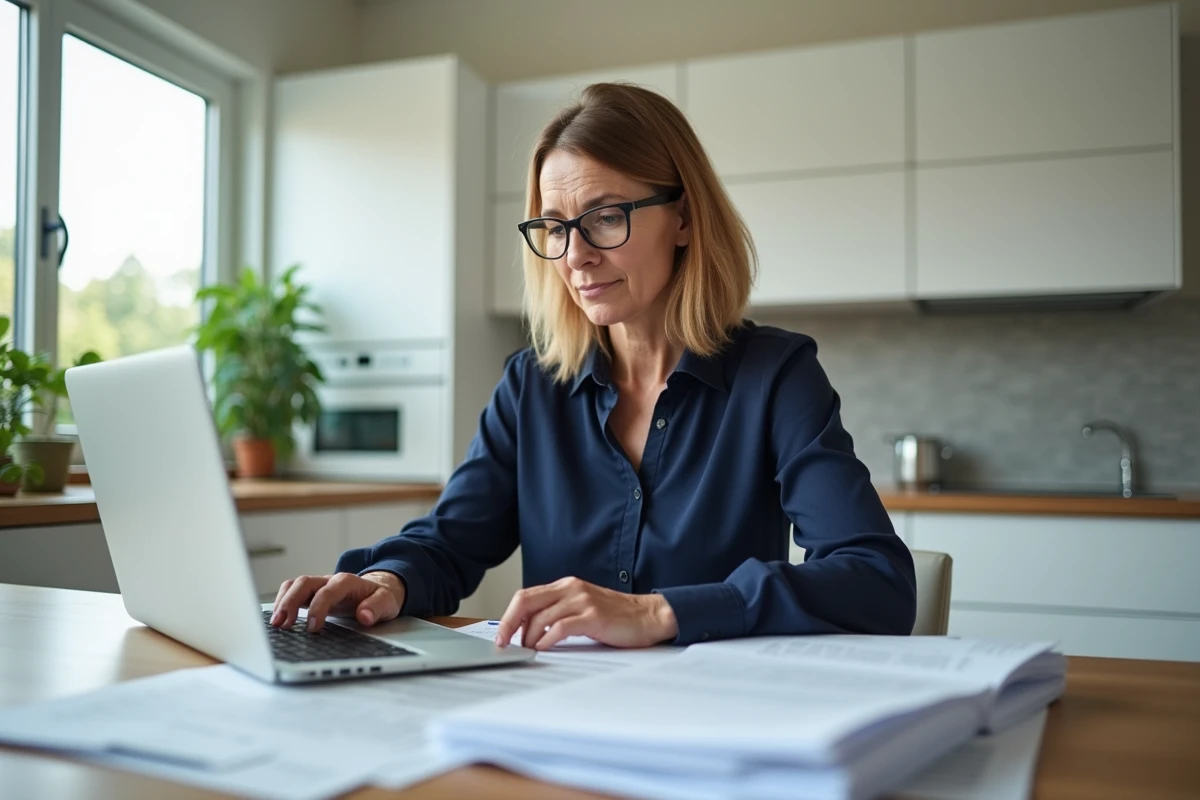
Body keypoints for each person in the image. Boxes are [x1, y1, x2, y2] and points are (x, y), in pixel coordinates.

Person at [271, 83, 916, 650]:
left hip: (716, 719)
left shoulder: (775, 374)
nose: (574, 255)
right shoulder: (530, 385)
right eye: (555, 226)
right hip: (556, 716)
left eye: (605, 217)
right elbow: (449, 542)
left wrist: (659, 612)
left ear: (684, 217)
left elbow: (877, 578)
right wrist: (385, 579)